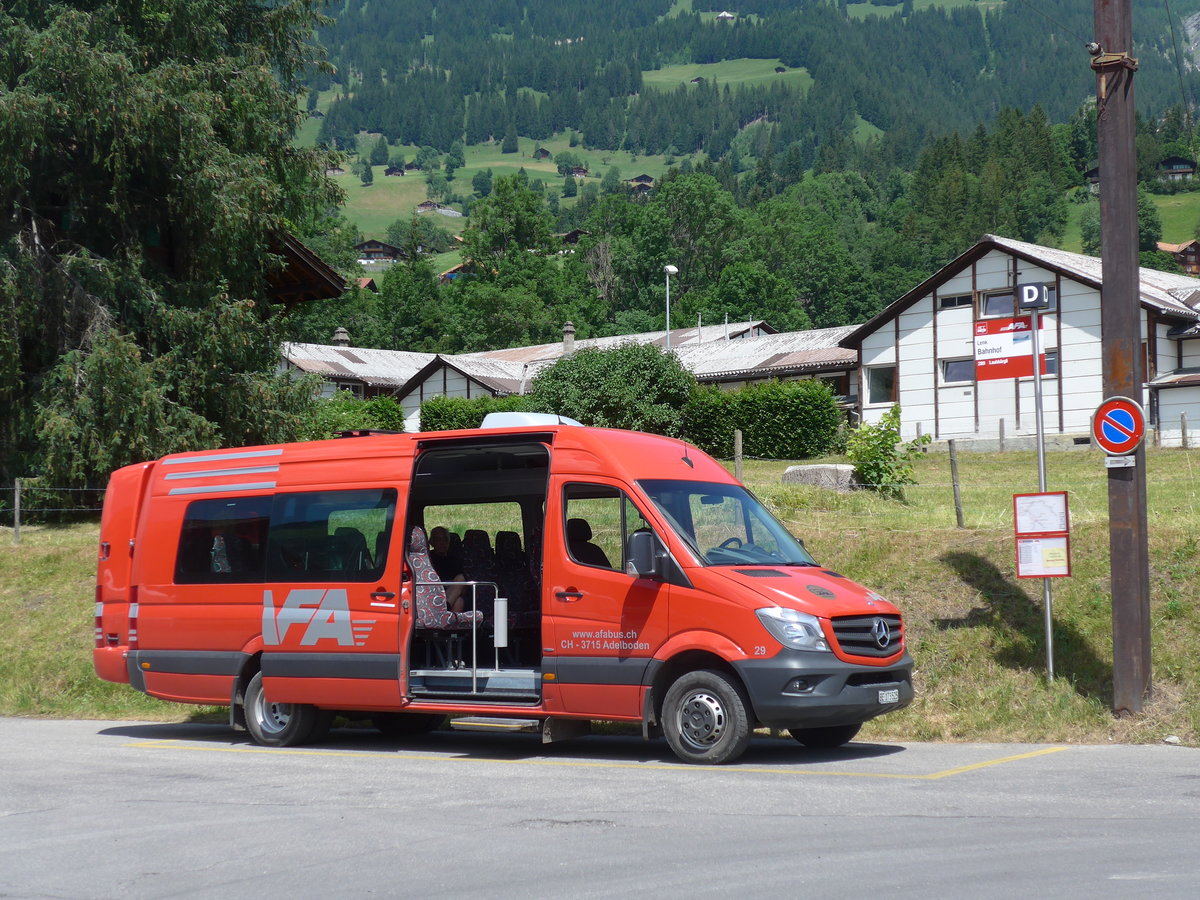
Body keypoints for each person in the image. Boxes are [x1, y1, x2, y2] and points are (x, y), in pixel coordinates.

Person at [428, 526, 467, 612]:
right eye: (439, 539)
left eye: (445, 539)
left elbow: (463, 589)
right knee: (458, 600)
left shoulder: (455, 560)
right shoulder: (428, 559)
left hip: (451, 592)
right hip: (435, 592)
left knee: (459, 600)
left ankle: (444, 610)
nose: (442, 543)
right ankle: (445, 609)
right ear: (432, 542)